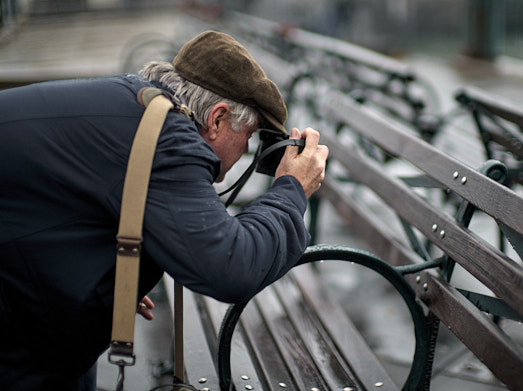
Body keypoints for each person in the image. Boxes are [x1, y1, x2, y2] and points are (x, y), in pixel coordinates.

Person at [0, 30, 328, 390]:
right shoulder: (166, 138)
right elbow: (231, 266)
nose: (244, 151)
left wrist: (105, 276)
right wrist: (291, 190)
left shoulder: (133, 101)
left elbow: (60, 202)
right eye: (248, 136)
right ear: (217, 119)